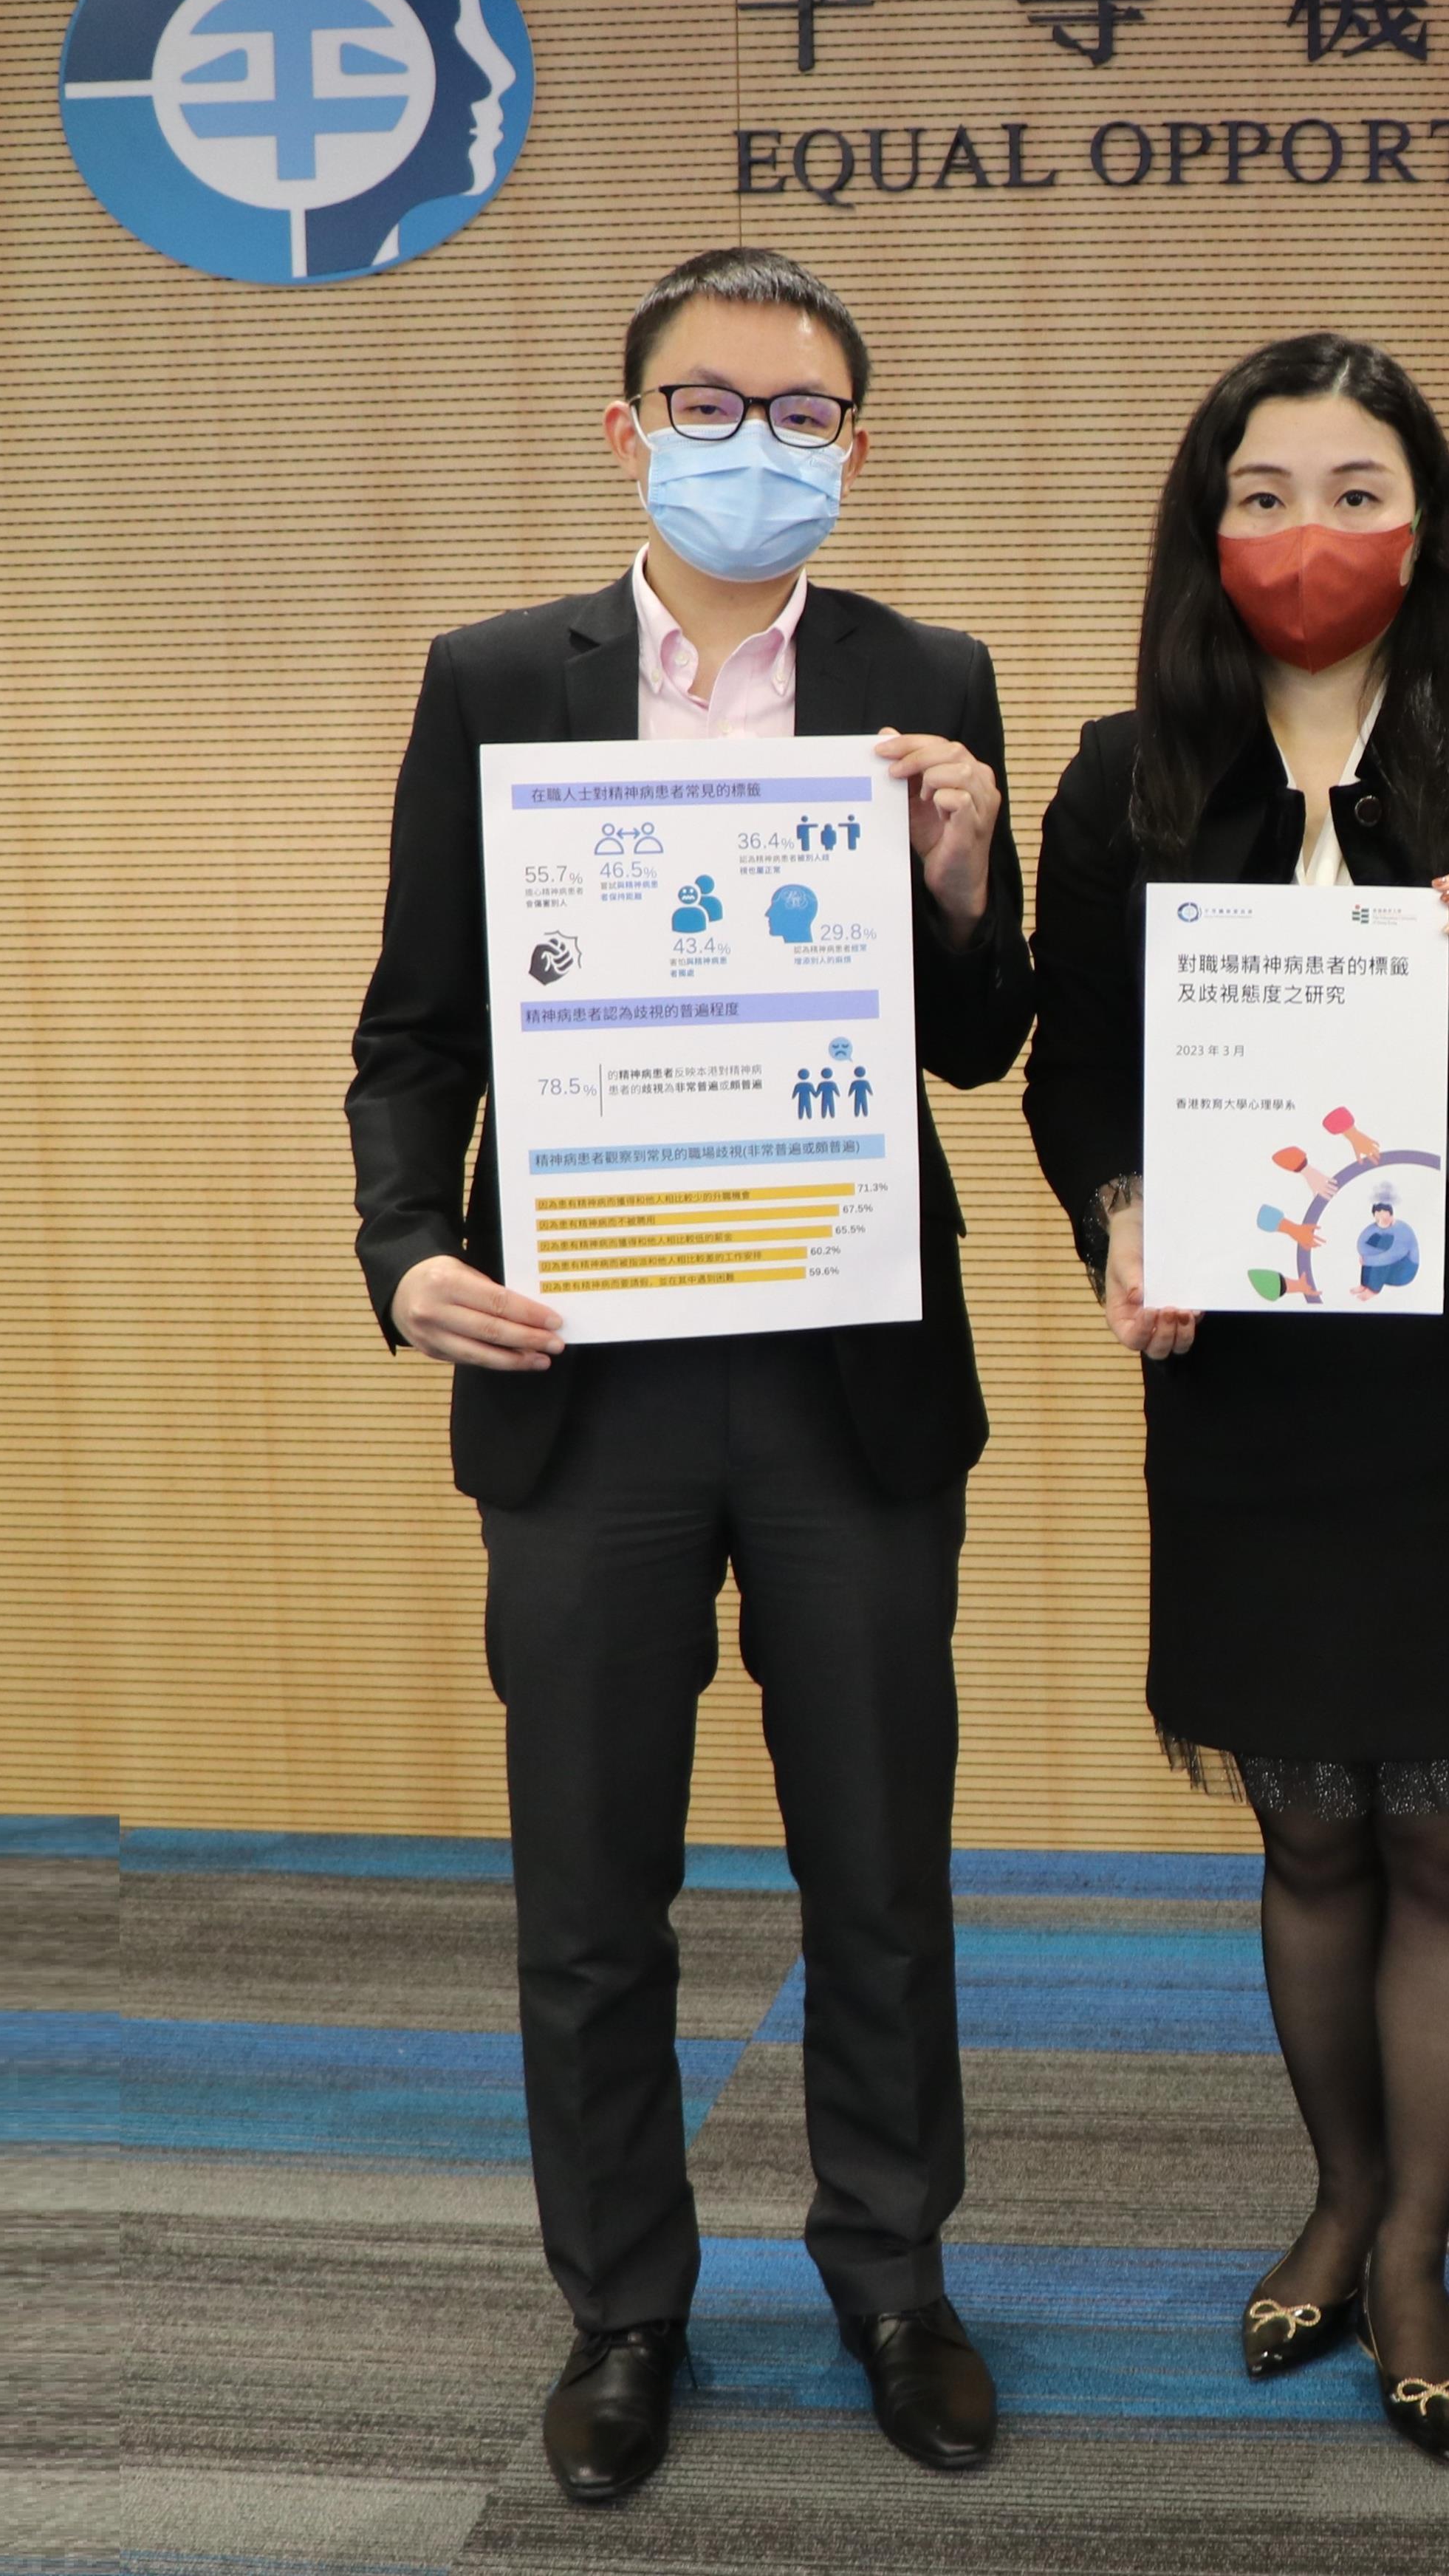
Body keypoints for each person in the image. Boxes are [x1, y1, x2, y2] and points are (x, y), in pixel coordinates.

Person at [346, 247, 1030, 2507]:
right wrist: (409, 1252)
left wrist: (959, 877)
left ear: (859, 439)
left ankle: (895, 2278)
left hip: (846, 1369)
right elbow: (416, 1032)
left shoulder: (930, 677)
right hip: (584, 1374)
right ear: (626, 429)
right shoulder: (492, 681)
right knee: (588, 1889)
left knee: (879, 1869)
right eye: (713, 403)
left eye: (808, 411)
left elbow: (981, 1041)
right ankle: (626, 2306)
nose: (762, 443)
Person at [1022, 334, 1449, 2464]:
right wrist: (1119, 1208)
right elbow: (1075, 1081)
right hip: (1251, 1387)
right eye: (1265, 491)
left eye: (1357, 488)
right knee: (1310, 1825)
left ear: (1429, 522)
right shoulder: (1125, 779)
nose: (1310, 535)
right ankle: (1334, 2193)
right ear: (1205, 530)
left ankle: (1415, 2248)